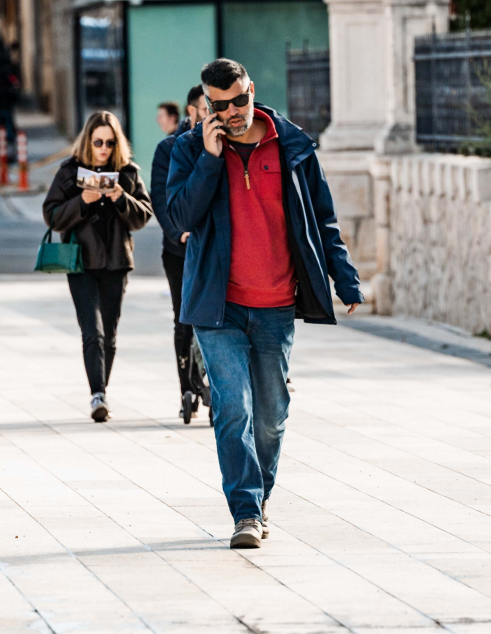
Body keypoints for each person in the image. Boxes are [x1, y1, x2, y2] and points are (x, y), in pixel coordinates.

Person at [166, 59, 364, 549]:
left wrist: (346, 279)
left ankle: (259, 498)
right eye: (219, 105)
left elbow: (323, 219)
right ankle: (246, 512)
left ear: (251, 89)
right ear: (206, 105)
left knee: (272, 414)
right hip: (218, 306)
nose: (233, 112)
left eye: (238, 100)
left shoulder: (292, 144)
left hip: (276, 303)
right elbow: (178, 218)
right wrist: (210, 159)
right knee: (233, 409)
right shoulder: (190, 149)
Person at [43, 111, 153, 423]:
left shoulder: (128, 172)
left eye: (109, 142)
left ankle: (101, 388)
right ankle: (98, 395)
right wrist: (82, 201)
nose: (103, 148)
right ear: (87, 142)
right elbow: (51, 214)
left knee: (110, 333)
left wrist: (120, 198)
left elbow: (143, 215)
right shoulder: (69, 172)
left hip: (116, 262)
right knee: (92, 330)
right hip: (80, 261)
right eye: (98, 142)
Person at [151, 85, 208, 417]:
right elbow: (161, 198)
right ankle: (186, 388)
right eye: (206, 108)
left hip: (214, 249)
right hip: (179, 250)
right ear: (192, 112)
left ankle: (215, 385)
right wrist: (179, 232)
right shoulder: (170, 148)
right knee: (184, 320)